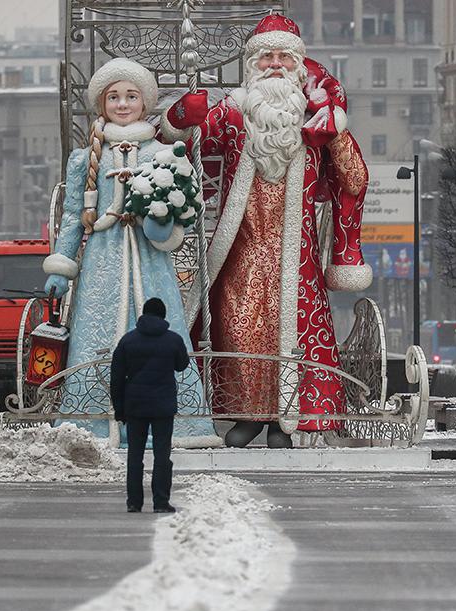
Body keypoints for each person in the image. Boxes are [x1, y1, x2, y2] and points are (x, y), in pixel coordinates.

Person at [160, 12, 372, 448]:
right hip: (240, 244)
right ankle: (246, 413)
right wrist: (183, 114)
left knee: (295, 326)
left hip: (297, 251)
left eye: (284, 57)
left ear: (298, 65)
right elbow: (178, 145)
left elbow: (354, 180)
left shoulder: (316, 120)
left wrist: (336, 135)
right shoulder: (235, 112)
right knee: (238, 327)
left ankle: (289, 417)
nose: (275, 64)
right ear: (251, 64)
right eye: (265, 57)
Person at [43, 57, 217, 447]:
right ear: (102, 104)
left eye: (131, 96)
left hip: (151, 264)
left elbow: (184, 217)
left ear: (145, 102)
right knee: (97, 337)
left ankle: (172, 424)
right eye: (114, 97)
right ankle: (92, 422)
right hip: (102, 263)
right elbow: (73, 216)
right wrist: (62, 266)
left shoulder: (164, 154)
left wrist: (162, 223)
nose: (123, 104)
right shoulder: (82, 159)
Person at [110, 297, 188, 513]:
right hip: (163, 406)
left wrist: (119, 408)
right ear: (163, 315)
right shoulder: (173, 340)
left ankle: (134, 502)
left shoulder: (128, 341)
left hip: (135, 405)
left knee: (135, 455)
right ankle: (161, 502)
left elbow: (116, 377)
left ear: (143, 314)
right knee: (162, 455)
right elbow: (182, 365)